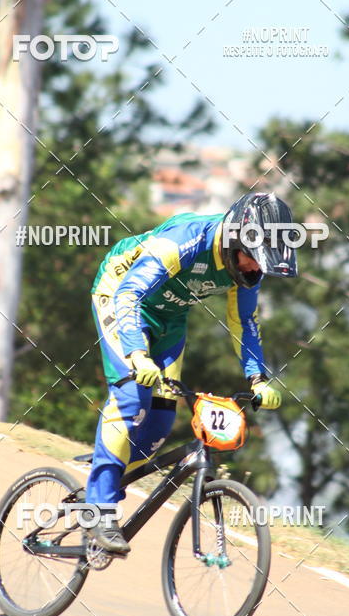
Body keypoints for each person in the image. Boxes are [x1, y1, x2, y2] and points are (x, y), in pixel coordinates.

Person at [84, 191, 299, 554]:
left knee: (160, 423)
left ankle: (107, 467)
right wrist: (137, 354)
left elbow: (244, 322)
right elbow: (130, 295)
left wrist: (258, 378)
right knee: (132, 399)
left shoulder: (247, 269)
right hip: (120, 296)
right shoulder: (184, 242)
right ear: (234, 240)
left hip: (170, 317)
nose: (255, 270)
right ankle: (98, 510)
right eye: (255, 260)